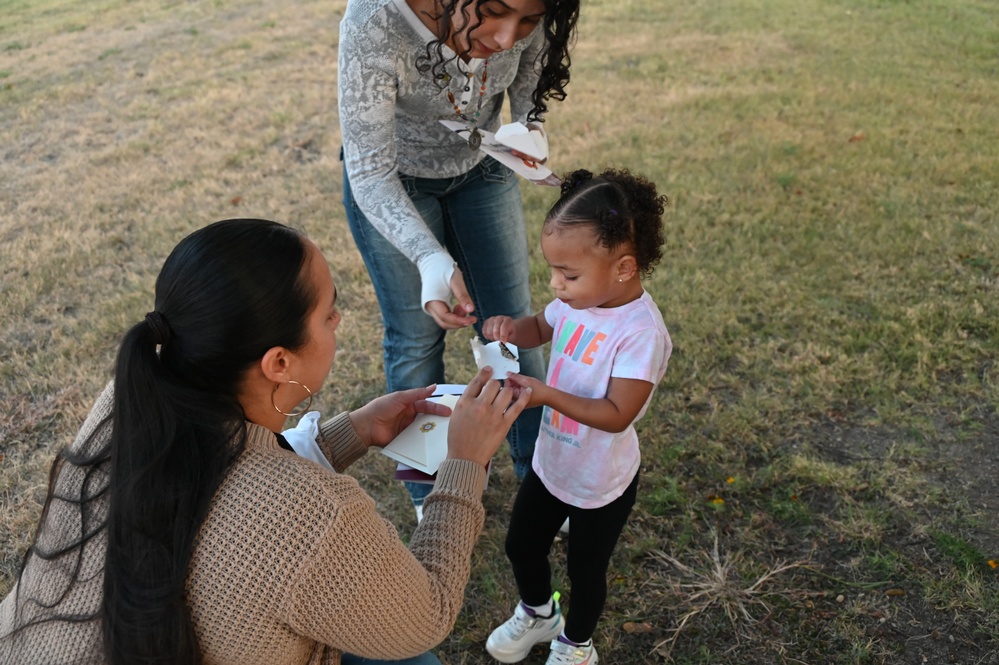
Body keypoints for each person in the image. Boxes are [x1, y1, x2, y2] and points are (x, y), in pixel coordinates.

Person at [0, 219, 531, 665]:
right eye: (329, 312)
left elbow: (218, 491)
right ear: (279, 362)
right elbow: (424, 617)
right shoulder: (309, 513)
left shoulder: (129, 400)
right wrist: (465, 463)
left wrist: (353, 432)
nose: (339, 320)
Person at [338, 0, 580, 518]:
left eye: (529, 21)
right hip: (395, 183)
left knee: (513, 330)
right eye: (496, 12)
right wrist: (430, 259)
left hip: (482, 172)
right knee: (416, 337)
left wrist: (527, 129)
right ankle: (431, 490)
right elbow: (370, 173)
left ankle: (539, 476)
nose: (505, 37)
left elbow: (529, 82)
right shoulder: (375, 21)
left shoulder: (522, 20)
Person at [480, 169, 672, 665]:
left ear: (624, 268)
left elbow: (615, 415)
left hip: (601, 478)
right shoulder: (574, 302)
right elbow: (537, 328)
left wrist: (546, 395)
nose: (555, 285)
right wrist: (508, 329)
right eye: (552, 271)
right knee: (522, 545)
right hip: (553, 460)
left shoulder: (640, 334)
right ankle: (540, 614)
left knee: (586, 573)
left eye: (568, 275)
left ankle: (576, 644)